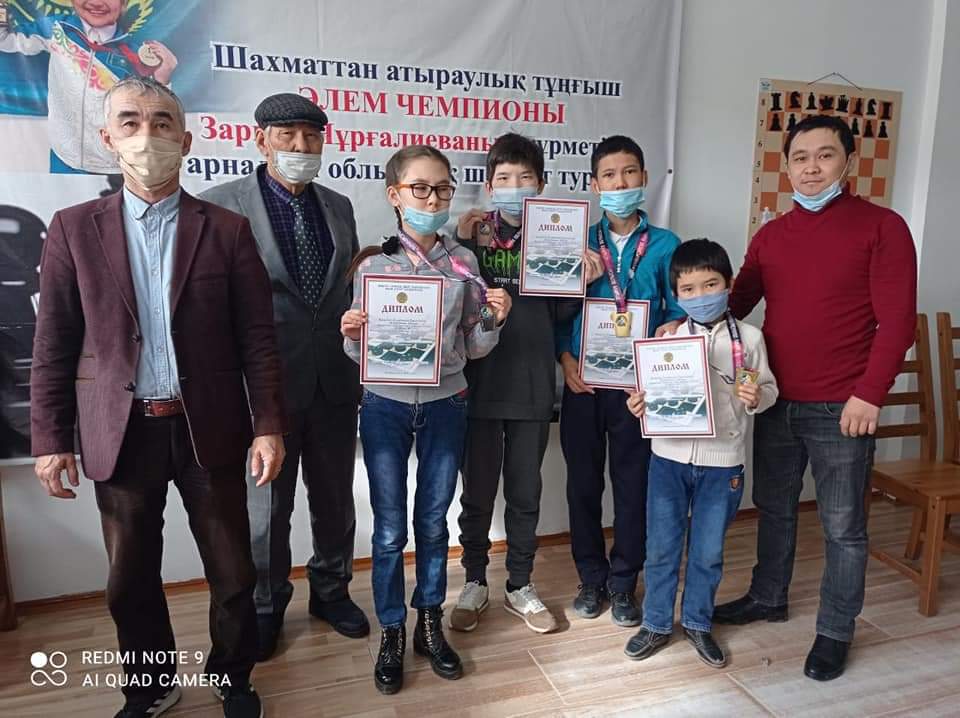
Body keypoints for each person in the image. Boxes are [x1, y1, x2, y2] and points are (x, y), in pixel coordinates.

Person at [30, 77, 285, 718]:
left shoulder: (226, 229)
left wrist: (268, 424)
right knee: (129, 579)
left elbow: (258, 338)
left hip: (209, 428)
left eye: (162, 122)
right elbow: (54, 343)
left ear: (186, 140)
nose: (148, 136)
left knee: (234, 571)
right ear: (108, 138)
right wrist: (51, 439)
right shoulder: (73, 230)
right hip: (121, 432)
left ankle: (233, 676)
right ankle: (150, 686)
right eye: (131, 122)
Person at [714, 114, 917, 681]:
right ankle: (768, 596)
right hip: (776, 399)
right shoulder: (772, 236)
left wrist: (869, 395)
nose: (811, 168)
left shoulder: (882, 227)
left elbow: (898, 323)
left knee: (843, 526)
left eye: (824, 155)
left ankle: (835, 629)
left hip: (844, 408)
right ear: (786, 166)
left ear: (847, 161)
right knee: (774, 507)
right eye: (800, 157)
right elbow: (732, 306)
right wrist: (677, 329)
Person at [201, 92, 367, 660]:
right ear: (260, 140)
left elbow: (344, 290)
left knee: (335, 499)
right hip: (263, 390)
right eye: (288, 135)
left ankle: (331, 590)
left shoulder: (339, 205)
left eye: (311, 136)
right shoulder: (221, 205)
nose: (301, 145)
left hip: (335, 380)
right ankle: (266, 605)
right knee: (266, 509)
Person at [341, 145, 512, 695]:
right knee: (390, 528)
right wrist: (351, 335)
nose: (433, 199)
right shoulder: (374, 265)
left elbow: (474, 346)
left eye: (442, 188)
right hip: (384, 405)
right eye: (420, 188)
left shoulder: (464, 265)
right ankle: (392, 628)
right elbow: (359, 355)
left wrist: (494, 320)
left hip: (446, 402)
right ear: (395, 195)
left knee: (434, 522)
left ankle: (429, 623)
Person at [451, 133, 601, 635]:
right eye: (504, 178)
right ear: (490, 185)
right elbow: (452, 300)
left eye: (525, 177)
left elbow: (561, 316)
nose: (515, 186)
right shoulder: (471, 237)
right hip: (477, 383)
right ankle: (474, 581)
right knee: (476, 494)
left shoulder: (557, 236)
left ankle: (519, 583)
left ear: (541, 184)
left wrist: (580, 281)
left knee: (525, 492)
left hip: (533, 384)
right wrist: (459, 240)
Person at [623, 238, 778, 667]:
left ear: (729, 284)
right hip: (668, 460)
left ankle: (697, 621)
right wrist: (639, 405)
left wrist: (757, 396)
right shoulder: (666, 339)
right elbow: (647, 393)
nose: (701, 296)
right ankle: (656, 623)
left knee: (708, 553)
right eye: (688, 289)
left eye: (711, 285)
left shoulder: (750, 339)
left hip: (723, 465)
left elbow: (768, 389)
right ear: (676, 294)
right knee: (661, 548)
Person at [555, 135, 685, 626]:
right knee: (582, 486)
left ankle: (624, 581)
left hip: (637, 391)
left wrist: (670, 331)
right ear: (594, 185)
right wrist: (564, 358)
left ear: (644, 178)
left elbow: (677, 308)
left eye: (629, 172)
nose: (620, 182)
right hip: (583, 383)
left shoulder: (666, 245)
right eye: (609, 175)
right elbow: (554, 310)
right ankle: (591, 578)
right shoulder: (576, 241)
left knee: (634, 487)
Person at [0, 0, 178, 173]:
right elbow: (5, 41)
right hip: (64, 158)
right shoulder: (57, 29)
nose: (96, 2)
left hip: (115, 165)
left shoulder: (134, 55)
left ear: (124, 4)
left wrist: (163, 78)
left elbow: (154, 116)